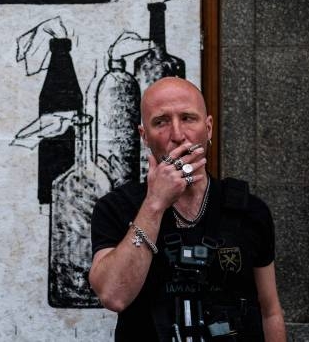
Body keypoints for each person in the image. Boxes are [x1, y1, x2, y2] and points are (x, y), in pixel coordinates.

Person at [89, 77, 286, 341]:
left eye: (188, 118)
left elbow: (269, 311)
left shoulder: (249, 209)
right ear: (144, 135)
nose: (178, 135)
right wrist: (154, 203)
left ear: (209, 128)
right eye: (161, 122)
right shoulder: (117, 208)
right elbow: (113, 295)